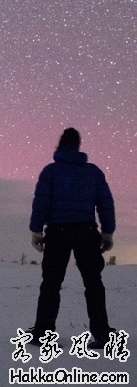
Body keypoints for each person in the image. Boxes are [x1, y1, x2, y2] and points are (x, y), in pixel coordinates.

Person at [28, 128, 116, 349]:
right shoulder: (92, 172)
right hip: (86, 232)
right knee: (93, 283)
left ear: (60, 144)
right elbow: (105, 203)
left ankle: (43, 333)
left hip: (57, 233)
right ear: (78, 146)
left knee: (51, 283)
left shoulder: (50, 172)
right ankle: (102, 333)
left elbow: (41, 202)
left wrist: (36, 231)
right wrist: (107, 232)